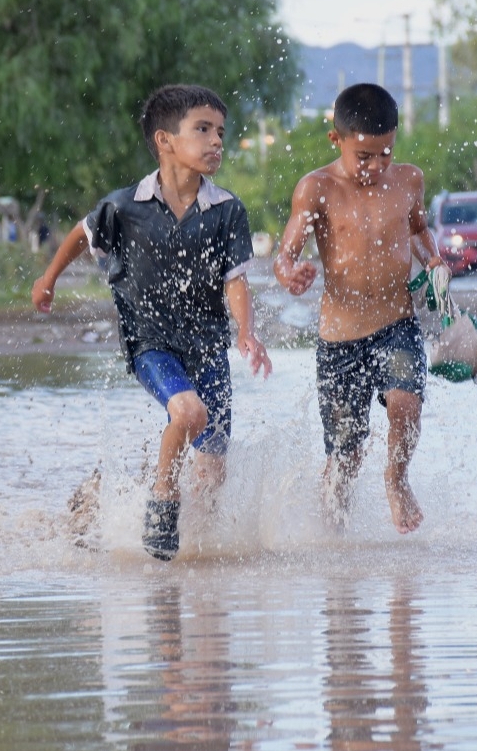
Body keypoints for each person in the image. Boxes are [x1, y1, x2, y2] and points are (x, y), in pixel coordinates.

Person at [31, 84, 272, 561]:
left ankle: (192, 567)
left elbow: (236, 282)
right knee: (187, 412)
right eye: (202, 129)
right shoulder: (125, 207)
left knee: (212, 473)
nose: (216, 141)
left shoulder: (227, 211)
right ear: (165, 140)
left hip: (208, 348)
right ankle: (162, 501)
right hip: (150, 343)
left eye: (220, 132)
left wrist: (246, 332)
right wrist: (49, 277)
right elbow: (82, 234)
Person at [273, 83, 448, 535]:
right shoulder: (317, 188)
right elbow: (285, 252)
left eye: (385, 153)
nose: (376, 165)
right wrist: (289, 272)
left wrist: (432, 257)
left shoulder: (408, 179)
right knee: (345, 457)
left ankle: (397, 479)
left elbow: (417, 230)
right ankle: (333, 542)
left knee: (406, 405)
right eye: (364, 156)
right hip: (340, 340)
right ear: (337, 139)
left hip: (397, 323)